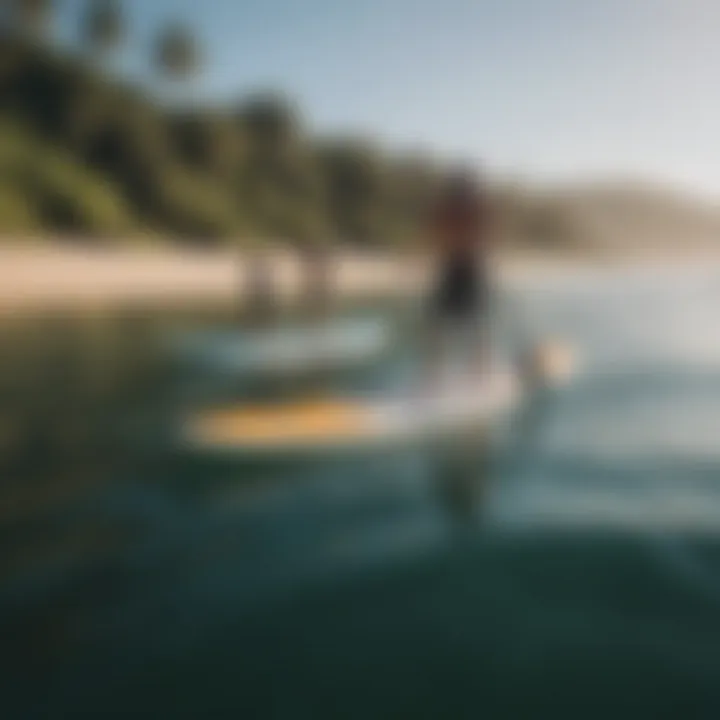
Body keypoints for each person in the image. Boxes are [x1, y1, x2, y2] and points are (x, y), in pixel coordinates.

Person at [425, 165, 493, 386]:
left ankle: (445, 376)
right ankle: (470, 374)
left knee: (450, 322)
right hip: (462, 268)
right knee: (468, 322)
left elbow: (441, 237)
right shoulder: (459, 209)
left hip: (460, 268)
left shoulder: (458, 209)